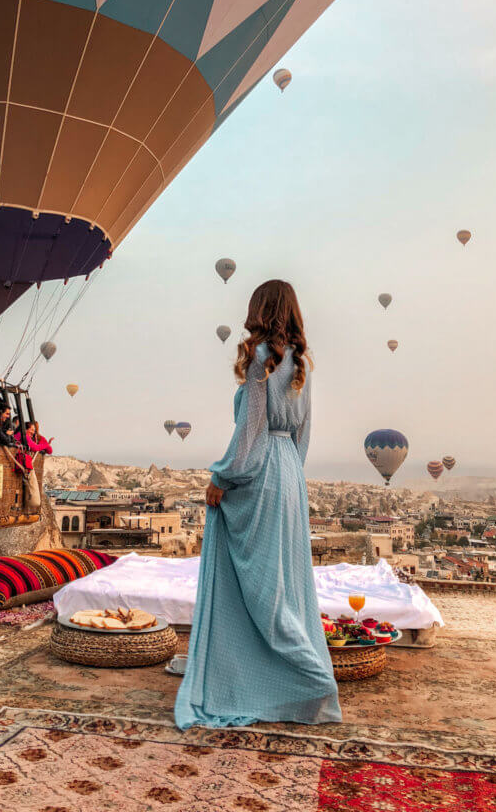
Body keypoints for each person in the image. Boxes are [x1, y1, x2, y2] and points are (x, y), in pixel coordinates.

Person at [175, 280, 342, 729]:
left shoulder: (261, 362)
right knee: (285, 578)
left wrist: (222, 478)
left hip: (262, 469)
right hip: (289, 474)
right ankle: (285, 674)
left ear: (258, 310)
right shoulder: (301, 365)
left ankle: (307, 675)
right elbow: (302, 435)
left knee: (260, 585)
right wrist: (290, 476)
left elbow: (249, 430)